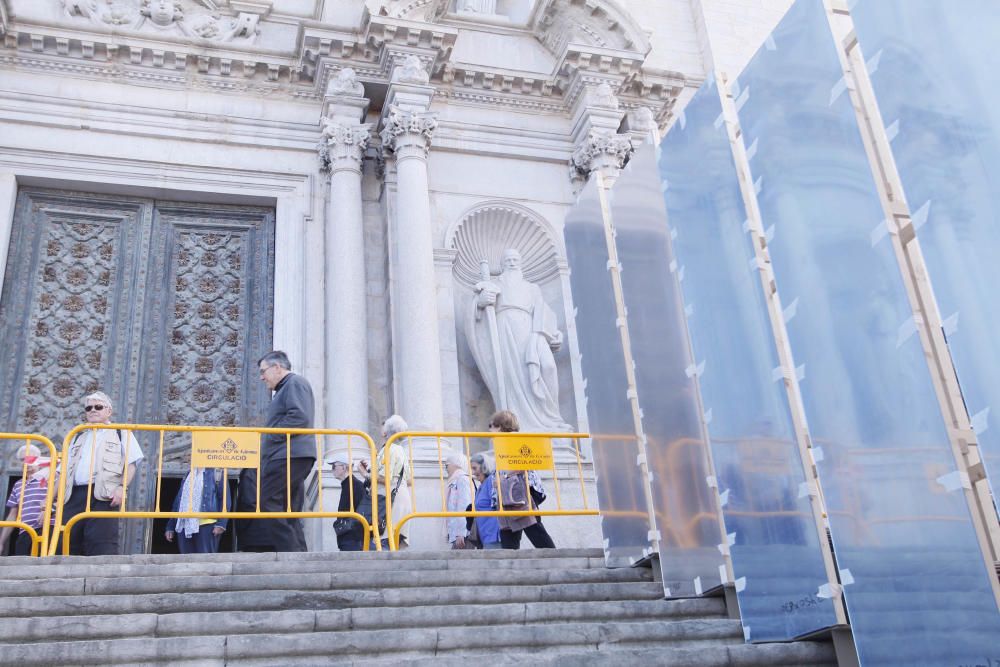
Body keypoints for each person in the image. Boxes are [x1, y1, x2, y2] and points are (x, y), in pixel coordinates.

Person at [467, 248, 571, 433]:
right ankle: (514, 422)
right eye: (508, 260)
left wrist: (553, 334)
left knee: (547, 367)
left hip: (531, 331)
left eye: (515, 259)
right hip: (505, 329)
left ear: (521, 263)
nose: (512, 263)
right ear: (502, 265)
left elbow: (544, 313)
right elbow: (474, 309)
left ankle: (549, 417)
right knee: (511, 377)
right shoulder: (494, 284)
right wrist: (481, 302)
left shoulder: (532, 288)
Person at [57, 391, 144, 556]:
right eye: (88, 408)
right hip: (74, 495)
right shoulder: (77, 436)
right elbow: (62, 472)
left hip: (103, 493)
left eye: (98, 406)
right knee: (67, 539)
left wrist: (121, 488)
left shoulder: (121, 432)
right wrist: (47, 503)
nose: (92, 410)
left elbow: (131, 463)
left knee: (101, 541)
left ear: (108, 411)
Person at [257, 351, 316, 552]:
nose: (261, 377)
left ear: (277, 368)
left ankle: (290, 551)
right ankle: (299, 552)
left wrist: (271, 437)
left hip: (288, 455)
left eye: (263, 371)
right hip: (290, 454)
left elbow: (300, 417)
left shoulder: (294, 383)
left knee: (267, 501)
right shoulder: (286, 388)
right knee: (288, 507)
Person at [488, 410, 555, 549]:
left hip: (517, 489)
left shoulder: (512, 439)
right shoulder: (505, 441)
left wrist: (504, 478)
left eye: (491, 425)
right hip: (512, 490)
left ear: (500, 426)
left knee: (530, 526)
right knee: (512, 528)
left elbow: (523, 463)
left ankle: (553, 556)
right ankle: (510, 561)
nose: (489, 429)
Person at [360, 415, 412, 550]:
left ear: (385, 432)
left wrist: (366, 474)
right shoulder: (402, 450)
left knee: (381, 544)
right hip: (403, 496)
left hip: (389, 500)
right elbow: (410, 480)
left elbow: (385, 479)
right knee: (394, 543)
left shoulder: (388, 449)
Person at [165, 468, 229, 554]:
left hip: (207, 525)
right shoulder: (188, 473)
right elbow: (179, 500)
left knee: (204, 561)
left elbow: (225, 499)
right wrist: (171, 525)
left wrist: (221, 524)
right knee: (186, 560)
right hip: (184, 524)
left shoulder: (217, 472)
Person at [0, 446, 50, 556]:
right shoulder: (18, 485)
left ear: (39, 460)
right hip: (25, 532)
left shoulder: (50, 479)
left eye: (31, 459)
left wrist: (46, 509)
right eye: (23, 460)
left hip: (47, 530)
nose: (27, 463)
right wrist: (1, 542)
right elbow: (12, 515)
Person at [331, 457, 366, 552]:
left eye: (334, 466)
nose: (332, 470)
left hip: (353, 538)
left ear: (343, 467)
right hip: (348, 537)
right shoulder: (348, 484)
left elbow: (362, 511)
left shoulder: (356, 485)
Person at [470, 452, 501, 549]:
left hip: (493, 535)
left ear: (484, 467)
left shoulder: (491, 481)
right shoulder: (481, 485)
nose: (473, 472)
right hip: (484, 534)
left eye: (475, 468)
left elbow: (497, 505)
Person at [444, 450, 473, 549]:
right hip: (459, 534)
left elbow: (465, 506)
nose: (446, 468)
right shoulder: (456, 480)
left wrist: (461, 532)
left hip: (463, 535)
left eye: (447, 465)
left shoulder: (462, 479)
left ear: (455, 464)